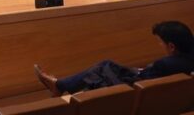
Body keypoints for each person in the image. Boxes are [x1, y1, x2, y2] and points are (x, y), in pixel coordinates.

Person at [34, 21, 194, 95]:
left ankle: (59, 86)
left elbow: (140, 83)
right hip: (162, 94)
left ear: (171, 46)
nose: (160, 46)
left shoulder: (164, 64)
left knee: (103, 68)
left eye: (160, 42)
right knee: (107, 67)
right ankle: (61, 86)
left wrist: (141, 71)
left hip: (132, 92)